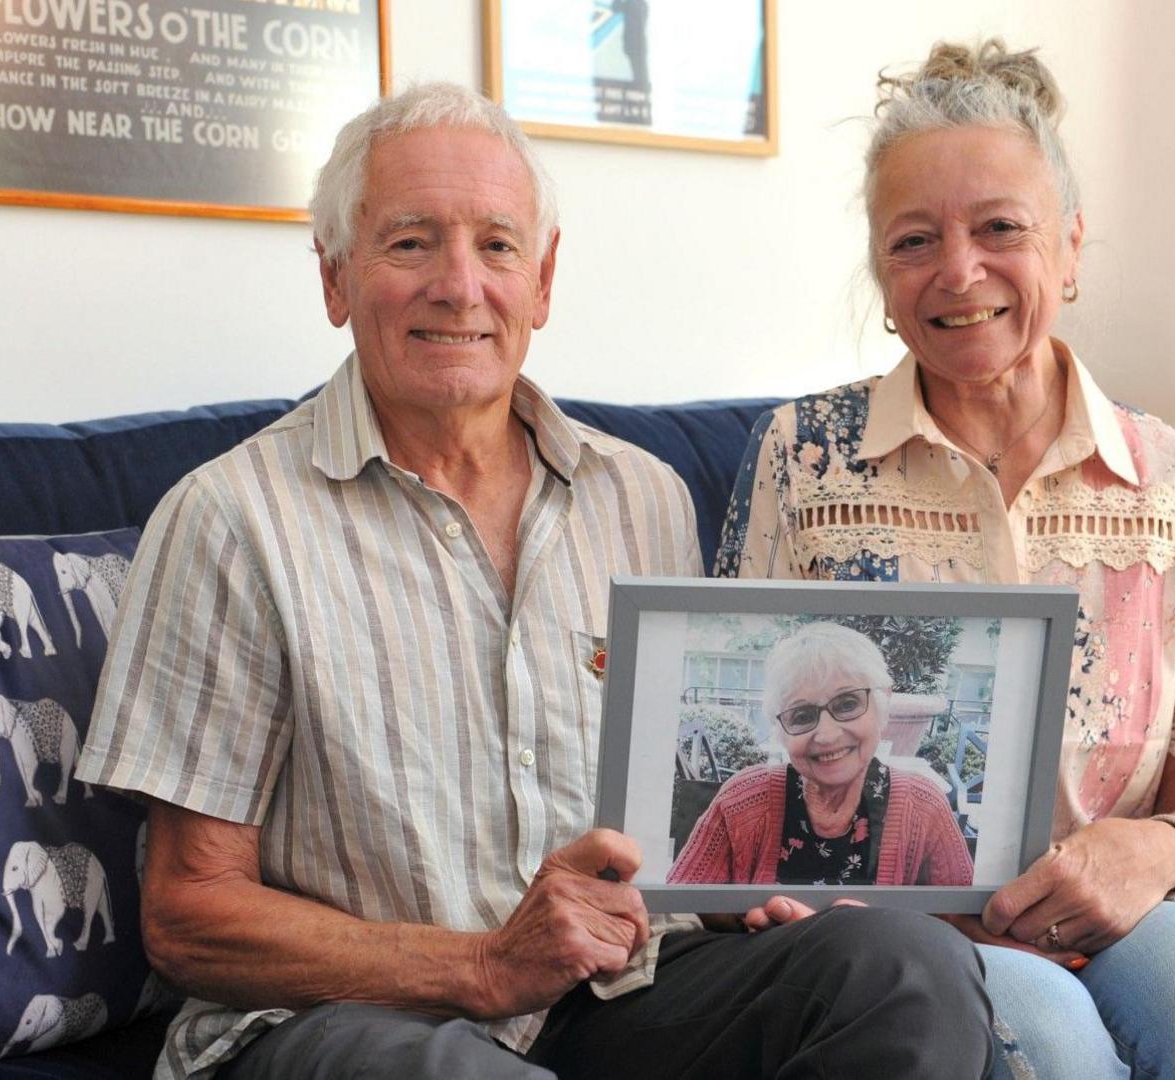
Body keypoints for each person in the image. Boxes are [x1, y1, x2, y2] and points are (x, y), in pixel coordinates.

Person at [75, 82, 993, 1080]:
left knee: (905, 967)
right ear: (336, 277)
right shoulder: (230, 520)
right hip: (339, 1023)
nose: (460, 285)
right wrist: (478, 965)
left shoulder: (643, 496)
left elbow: (673, 829)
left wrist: (737, 893)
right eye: (411, 241)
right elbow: (187, 916)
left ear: (543, 279)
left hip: (614, 996)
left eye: (498, 245)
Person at [713, 40, 1175, 1079]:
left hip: (1120, 907)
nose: (959, 270)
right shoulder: (803, 461)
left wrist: (1153, 851)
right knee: (1059, 1043)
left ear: (1069, 248)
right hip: (906, 929)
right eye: (914, 241)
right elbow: (737, 743)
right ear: (882, 274)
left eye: (1000, 229)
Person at [668, 621, 973, 887]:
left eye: (847, 704)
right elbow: (675, 914)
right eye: (801, 715)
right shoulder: (741, 802)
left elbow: (965, 928)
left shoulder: (924, 808)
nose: (826, 735)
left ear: (883, 703)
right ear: (781, 729)